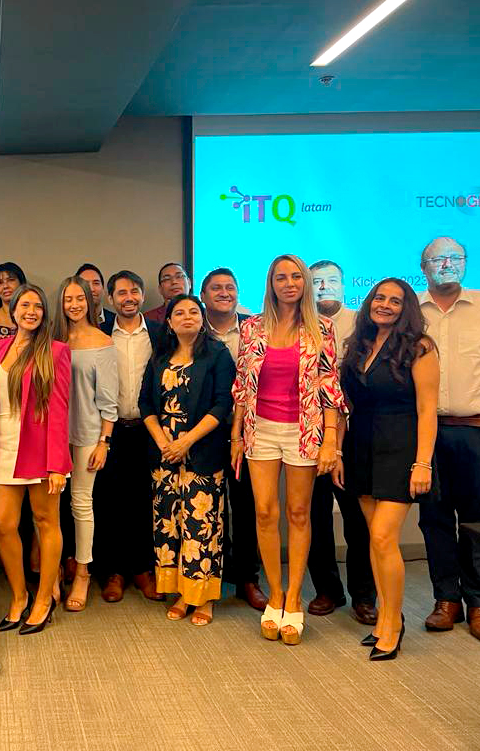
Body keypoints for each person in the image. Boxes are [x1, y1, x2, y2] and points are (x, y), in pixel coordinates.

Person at [231, 254, 346, 645]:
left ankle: (294, 597)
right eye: (281, 277)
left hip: (304, 430)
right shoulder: (251, 327)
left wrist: (330, 440)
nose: (290, 283)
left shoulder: (322, 328)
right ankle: (275, 596)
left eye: (296, 276)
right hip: (260, 430)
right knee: (265, 512)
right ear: (271, 284)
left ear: (305, 282)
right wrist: (236, 436)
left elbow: (330, 386)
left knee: (299, 513)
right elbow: (242, 386)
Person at [417, 235, 480, 643]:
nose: (446, 265)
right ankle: (446, 600)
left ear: (466, 263)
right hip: (427, 434)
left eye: (454, 257)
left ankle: (479, 604)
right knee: (434, 520)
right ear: (422, 268)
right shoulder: (412, 312)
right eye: (437, 259)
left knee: (477, 521)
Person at [337, 278, 439, 660]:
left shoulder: (420, 347)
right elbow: (346, 404)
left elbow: (427, 409)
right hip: (361, 447)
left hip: (402, 449)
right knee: (374, 541)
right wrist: (338, 451)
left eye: (395, 301)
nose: (385, 305)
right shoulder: (359, 345)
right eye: (379, 298)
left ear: (405, 308)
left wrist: (422, 463)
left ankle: (393, 623)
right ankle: (384, 619)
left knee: (383, 538)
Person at [0, 284, 71, 634]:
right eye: (25, 305)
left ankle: (44, 599)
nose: (31, 311)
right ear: (13, 310)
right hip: (3, 448)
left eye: (38, 306)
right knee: (2, 524)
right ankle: (19, 597)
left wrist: (58, 464)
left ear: (44, 313)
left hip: (40, 451)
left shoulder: (56, 351)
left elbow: (60, 409)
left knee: (46, 523)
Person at [141, 294, 235, 625]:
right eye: (179, 313)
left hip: (201, 452)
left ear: (202, 318)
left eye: (193, 311)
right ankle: (182, 592)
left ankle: (204, 597)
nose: (187, 317)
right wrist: (164, 443)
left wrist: (186, 442)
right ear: (168, 322)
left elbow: (223, 404)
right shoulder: (159, 357)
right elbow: (145, 404)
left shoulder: (218, 355)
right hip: (164, 455)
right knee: (170, 525)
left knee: (202, 526)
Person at [306, 260, 376, 624]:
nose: (323, 287)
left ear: (345, 285)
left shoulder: (364, 325)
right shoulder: (299, 326)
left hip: (356, 434)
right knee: (315, 516)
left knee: (358, 518)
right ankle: (327, 590)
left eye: (331, 280)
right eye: (316, 281)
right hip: (309, 434)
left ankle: (364, 595)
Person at [93, 270, 165, 603]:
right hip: (111, 430)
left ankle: (143, 569)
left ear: (142, 295)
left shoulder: (161, 334)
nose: (129, 298)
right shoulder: (100, 335)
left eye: (134, 291)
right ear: (111, 298)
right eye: (121, 293)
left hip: (150, 430)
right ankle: (114, 572)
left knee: (144, 501)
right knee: (110, 502)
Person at [199, 268, 267, 612]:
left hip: (249, 432)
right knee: (206, 507)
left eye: (230, 287)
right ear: (203, 296)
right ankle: (205, 576)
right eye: (216, 288)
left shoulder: (255, 328)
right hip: (205, 432)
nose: (224, 293)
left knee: (246, 506)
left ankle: (247, 579)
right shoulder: (193, 329)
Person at [52, 276, 116, 611]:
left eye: (80, 298)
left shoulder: (102, 341)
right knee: (49, 507)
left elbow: (108, 399)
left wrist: (104, 440)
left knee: (80, 503)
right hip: (52, 435)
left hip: (88, 434)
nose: (74, 305)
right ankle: (52, 571)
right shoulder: (53, 340)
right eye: (68, 299)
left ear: (89, 302)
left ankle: (82, 572)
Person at [76, 262, 112, 328]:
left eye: (96, 283)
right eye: (85, 284)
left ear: (103, 289)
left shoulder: (116, 322)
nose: (91, 289)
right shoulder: (67, 324)